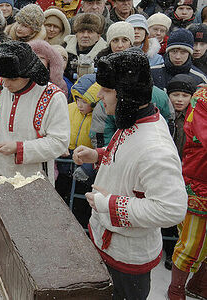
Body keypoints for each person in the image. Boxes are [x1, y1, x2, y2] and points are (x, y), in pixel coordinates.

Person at [73, 48, 187, 300]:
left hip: (127, 256)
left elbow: (172, 209)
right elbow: (130, 159)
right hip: (107, 241)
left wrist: (109, 204)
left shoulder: (156, 148)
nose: (99, 95)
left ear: (126, 95)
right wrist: (99, 155)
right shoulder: (136, 119)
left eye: (107, 90)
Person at [0, 41, 70, 184]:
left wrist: (20, 148)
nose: (5, 84)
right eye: (3, 78)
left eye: (12, 79)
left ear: (28, 74)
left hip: (34, 177)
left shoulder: (53, 97)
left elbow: (59, 142)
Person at [167, 85, 207, 300]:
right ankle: (176, 289)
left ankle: (199, 285)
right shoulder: (202, 99)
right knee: (191, 243)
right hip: (199, 183)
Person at [55, 74, 100, 226]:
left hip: (84, 161)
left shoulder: (98, 115)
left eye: (85, 101)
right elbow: (57, 129)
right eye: (77, 99)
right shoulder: (69, 109)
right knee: (60, 197)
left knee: (80, 204)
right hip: (65, 159)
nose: (80, 105)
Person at [64, 13, 107, 83]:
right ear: (76, 34)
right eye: (81, 31)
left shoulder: (105, 55)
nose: (85, 35)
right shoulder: (64, 50)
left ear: (98, 36)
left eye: (90, 32)